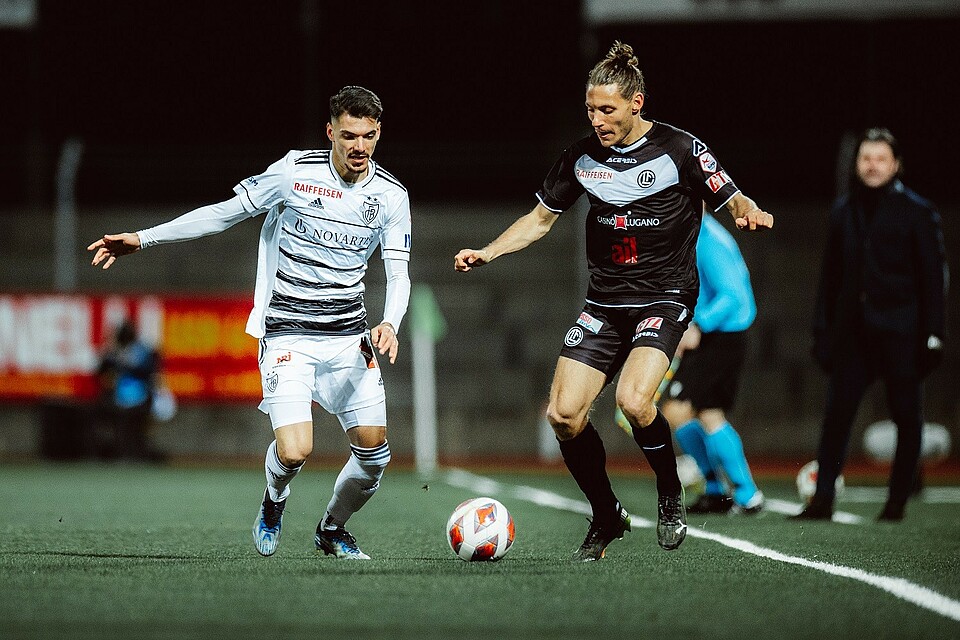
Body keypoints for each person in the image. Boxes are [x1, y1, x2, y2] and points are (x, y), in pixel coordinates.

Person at [454, 42, 773, 561]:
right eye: (590, 109)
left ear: (636, 103)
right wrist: (489, 251)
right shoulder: (581, 158)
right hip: (605, 301)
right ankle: (606, 513)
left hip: (664, 297)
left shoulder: (680, 149)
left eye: (607, 109)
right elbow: (539, 219)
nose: (597, 119)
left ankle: (669, 491)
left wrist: (746, 207)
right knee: (562, 415)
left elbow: (728, 192)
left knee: (634, 400)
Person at [88, 86, 412, 559]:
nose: (359, 147)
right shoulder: (293, 174)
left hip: (349, 339)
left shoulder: (391, 196)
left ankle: (331, 528)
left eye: (368, 136)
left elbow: (399, 272)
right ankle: (273, 502)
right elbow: (223, 214)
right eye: (348, 136)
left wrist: (391, 322)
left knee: (374, 457)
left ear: (379, 134)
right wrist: (143, 238)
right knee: (297, 450)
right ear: (330, 133)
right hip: (289, 335)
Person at [794, 127, 947, 523]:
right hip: (854, 336)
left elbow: (934, 278)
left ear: (896, 164)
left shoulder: (918, 212)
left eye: (881, 158)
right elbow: (830, 278)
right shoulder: (844, 210)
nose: (873, 165)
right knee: (837, 416)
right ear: (857, 163)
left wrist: (934, 334)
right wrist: (822, 331)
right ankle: (822, 500)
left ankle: (896, 502)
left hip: (903, 335)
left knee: (906, 417)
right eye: (866, 158)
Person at [658, 211, 763, 514]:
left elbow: (732, 294)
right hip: (706, 335)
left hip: (723, 336)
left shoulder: (709, 239)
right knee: (677, 412)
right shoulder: (687, 232)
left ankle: (747, 494)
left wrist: (698, 325)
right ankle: (716, 490)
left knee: (709, 413)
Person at [95, 320, 163, 461]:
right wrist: (110, 355)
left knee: (138, 425)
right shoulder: (114, 351)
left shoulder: (142, 350)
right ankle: (122, 453)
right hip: (118, 397)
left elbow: (150, 370)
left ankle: (139, 453)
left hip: (141, 397)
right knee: (119, 423)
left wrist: (125, 364)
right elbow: (100, 371)